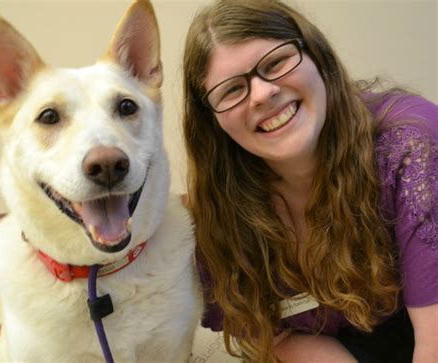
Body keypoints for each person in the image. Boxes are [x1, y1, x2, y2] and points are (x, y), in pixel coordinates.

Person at [181, 0, 438, 362]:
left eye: (275, 63)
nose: (262, 93)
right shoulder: (219, 215)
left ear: (316, 54)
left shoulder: (413, 146)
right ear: (212, 122)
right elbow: (274, 333)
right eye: (232, 90)